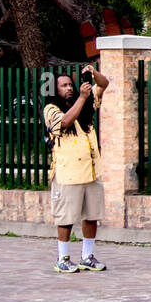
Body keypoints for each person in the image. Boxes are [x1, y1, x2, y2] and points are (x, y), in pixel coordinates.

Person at [44, 66, 109, 273]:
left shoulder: (87, 105)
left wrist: (93, 73)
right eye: (63, 86)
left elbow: (104, 84)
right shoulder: (51, 109)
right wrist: (82, 97)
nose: (68, 88)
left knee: (91, 215)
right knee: (66, 217)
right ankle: (62, 258)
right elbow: (64, 122)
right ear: (55, 90)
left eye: (70, 84)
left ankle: (87, 256)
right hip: (67, 173)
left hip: (90, 171)